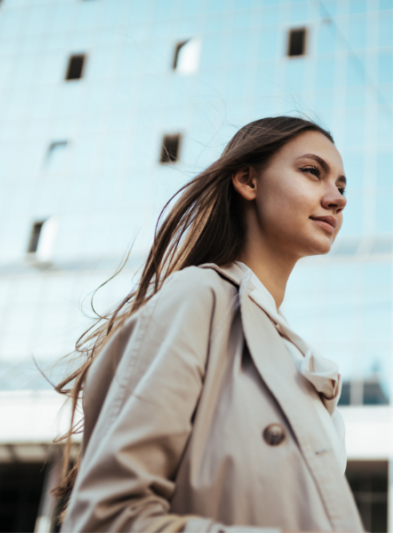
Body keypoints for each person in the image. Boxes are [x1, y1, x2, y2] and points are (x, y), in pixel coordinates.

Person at [53, 116, 364, 532]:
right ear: (248, 181)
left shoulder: (294, 353)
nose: (337, 198)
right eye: (312, 172)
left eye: (341, 187)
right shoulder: (200, 296)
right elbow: (109, 518)